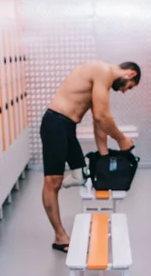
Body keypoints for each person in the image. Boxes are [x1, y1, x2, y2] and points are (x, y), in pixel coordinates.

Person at [40, 60, 141, 253]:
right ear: (131, 74)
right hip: (55, 124)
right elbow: (102, 117)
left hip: (67, 127)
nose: (124, 91)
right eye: (129, 88)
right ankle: (60, 236)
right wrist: (121, 140)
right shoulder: (102, 70)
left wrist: (103, 156)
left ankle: (54, 184)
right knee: (52, 182)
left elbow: (99, 121)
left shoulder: (104, 80)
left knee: (81, 175)